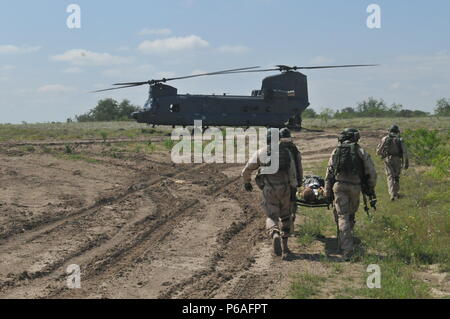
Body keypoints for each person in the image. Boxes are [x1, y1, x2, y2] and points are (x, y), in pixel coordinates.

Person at [241, 128, 302, 260]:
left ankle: (274, 233)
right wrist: (293, 189)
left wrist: (247, 182)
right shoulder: (286, 152)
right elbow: (293, 174)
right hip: (285, 188)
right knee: (286, 217)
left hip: (269, 189)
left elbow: (246, 170)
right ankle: (285, 249)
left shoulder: (261, 152)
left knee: (271, 216)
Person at [324, 128, 377, 260]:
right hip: (355, 187)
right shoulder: (361, 151)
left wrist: (327, 191)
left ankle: (344, 246)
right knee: (349, 216)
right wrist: (370, 188)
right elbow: (371, 172)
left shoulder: (336, 151)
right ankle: (347, 247)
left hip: (339, 185)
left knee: (342, 216)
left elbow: (329, 174)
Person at [376, 125, 409, 201]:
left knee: (390, 176)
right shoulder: (400, 139)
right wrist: (406, 162)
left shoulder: (385, 139)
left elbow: (378, 152)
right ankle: (396, 193)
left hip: (388, 160)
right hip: (397, 160)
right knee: (396, 177)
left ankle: (392, 194)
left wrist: (383, 154)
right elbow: (405, 152)